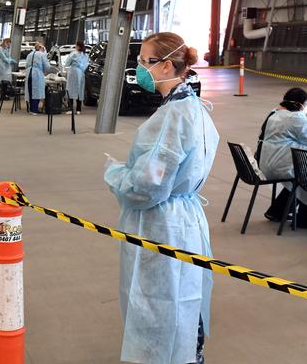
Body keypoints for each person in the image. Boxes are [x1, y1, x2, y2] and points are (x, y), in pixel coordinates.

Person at [104, 32, 218, 364]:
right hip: (185, 220)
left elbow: (146, 187)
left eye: (145, 61)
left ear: (167, 66)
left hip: (161, 224)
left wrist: (115, 174)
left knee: (157, 304)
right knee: (184, 299)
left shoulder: (171, 118)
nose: (139, 67)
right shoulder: (194, 107)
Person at [259, 88, 307, 228]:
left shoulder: (274, 114)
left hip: (267, 164)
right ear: (301, 104)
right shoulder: (293, 118)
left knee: (297, 179)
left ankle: (278, 211)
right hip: (281, 166)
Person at [25, 43, 51, 114]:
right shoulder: (41, 55)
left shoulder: (29, 54)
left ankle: (31, 109)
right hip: (37, 74)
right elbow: (47, 66)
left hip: (29, 73)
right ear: (41, 48)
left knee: (30, 91)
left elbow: (26, 65)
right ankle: (34, 109)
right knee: (36, 91)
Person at [64, 40, 89, 115]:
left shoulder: (73, 54)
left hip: (73, 73)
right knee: (79, 90)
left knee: (71, 90)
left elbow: (67, 63)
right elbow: (87, 64)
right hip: (81, 73)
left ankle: (71, 108)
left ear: (77, 46)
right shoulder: (85, 55)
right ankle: (78, 109)